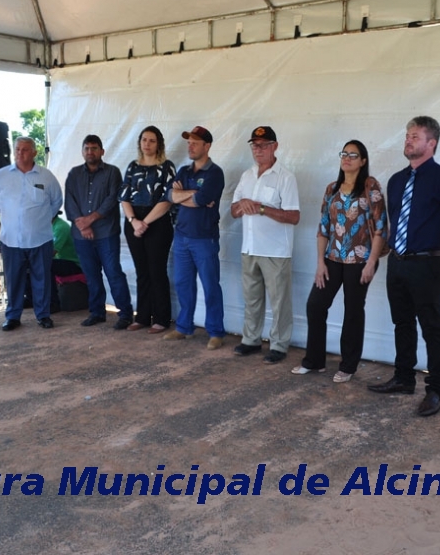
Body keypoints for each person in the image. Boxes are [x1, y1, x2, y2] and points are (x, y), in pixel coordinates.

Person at [367, 116, 440, 417]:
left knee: (431, 326)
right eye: (407, 136)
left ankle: (435, 390)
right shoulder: (397, 181)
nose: (408, 141)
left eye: (415, 137)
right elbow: (394, 220)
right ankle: (403, 377)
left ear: (431, 143)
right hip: (397, 263)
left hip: (426, 264)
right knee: (402, 322)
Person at [292, 140, 387, 383]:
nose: (347, 158)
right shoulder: (332, 188)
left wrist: (371, 262)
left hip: (361, 259)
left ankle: (348, 365)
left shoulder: (370, 186)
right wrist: (320, 263)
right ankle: (314, 361)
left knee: (353, 311)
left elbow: (380, 227)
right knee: (316, 304)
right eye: (344, 154)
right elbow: (323, 227)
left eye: (353, 155)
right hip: (333, 257)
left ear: (363, 161)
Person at [230, 126, 300, 364]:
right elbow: (233, 210)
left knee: (279, 302)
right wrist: (244, 205)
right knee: (252, 298)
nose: (258, 150)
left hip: (275, 251)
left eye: (263, 145)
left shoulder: (285, 177)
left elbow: (293, 216)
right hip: (249, 247)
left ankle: (279, 345)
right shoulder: (247, 175)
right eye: (254, 145)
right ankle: (251, 340)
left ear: (275, 147)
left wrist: (260, 208)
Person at [0, 137, 63, 330]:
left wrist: (40, 220)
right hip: (11, 240)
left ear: (34, 153)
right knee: (14, 280)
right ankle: (12, 317)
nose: (20, 153)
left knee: (42, 279)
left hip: (40, 238)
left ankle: (43, 315)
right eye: (18, 149)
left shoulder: (46, 177)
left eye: (25, 150)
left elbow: (56, 202)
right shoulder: (1, 176)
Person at [162, 126, 226, 350]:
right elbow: (169, 195)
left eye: (195, 143)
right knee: (182, 284)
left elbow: (202, 200)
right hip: (181, 237)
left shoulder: (215, 173)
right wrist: (191, 195)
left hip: (204, 239)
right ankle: (183, 327)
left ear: (206, 146)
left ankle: (216, 331)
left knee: (210, 286)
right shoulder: (183, 171)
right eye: (188, 142)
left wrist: (187, 196)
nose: (190, 146)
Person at [64, 134, 134, 329]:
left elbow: (112, 200)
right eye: (86, 148)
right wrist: (82, 225)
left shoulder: (112, 172)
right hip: (81, 235)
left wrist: (89, 220)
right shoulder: (74, 174)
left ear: (102, 151)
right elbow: (69, 201)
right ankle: (97, 312)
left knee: (113, 273)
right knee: (91, 274)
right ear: (82, 151)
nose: (90, 152)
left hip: (106, 234)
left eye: (94, 148)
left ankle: (126, 313)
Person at [118, 125, 177, 333]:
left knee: (156, 271)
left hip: (158, 222)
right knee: (141, 271)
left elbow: (167, 199)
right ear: (139, 142)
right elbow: (124, 197)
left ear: (158, 143)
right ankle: (142, 316)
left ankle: (161, 318)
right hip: (134, 222)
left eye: (152, 140)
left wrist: (145, 222)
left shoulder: (167, 167)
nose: (147, 144)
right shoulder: (133, 166)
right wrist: (134, 220)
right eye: (144, 140)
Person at [50, 212, 83, 313]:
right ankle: (31, 298)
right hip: (62, 260)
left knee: (46, 265)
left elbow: (52, 252)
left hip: (73, 263)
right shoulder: (49, 226)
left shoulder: (60, 227)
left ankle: (53, 303)